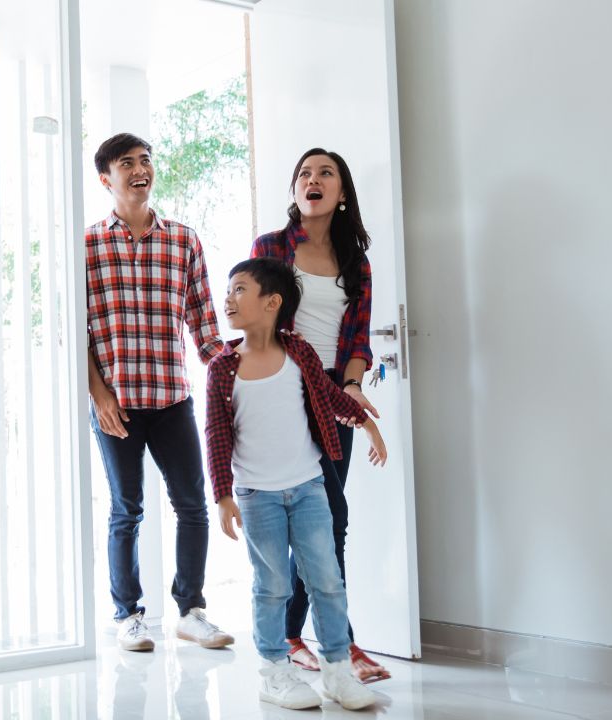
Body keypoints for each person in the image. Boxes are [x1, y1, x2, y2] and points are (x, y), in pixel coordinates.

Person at [206, 258, 388, 710]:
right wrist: (224, 495)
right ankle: (274, 673)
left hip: (308, 489)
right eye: (228, 290)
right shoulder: (223, 368)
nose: (228, 298)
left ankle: (337, 673)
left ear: (272, 303)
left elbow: (330, 398)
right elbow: (216, 434)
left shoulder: (299, 354)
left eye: (239, 289)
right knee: (271, 586)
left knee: (326, 580)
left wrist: (366, 425)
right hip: (257, 496)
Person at [86, 132, 233, 652]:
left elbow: (206, 329)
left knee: (192, 504)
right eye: (127, 163)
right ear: (107, 179)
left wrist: (245, 369)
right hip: (117, 403)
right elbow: (75, 333)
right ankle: (128, 615)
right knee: (126, 508)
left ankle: (191, 610)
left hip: (173, 397)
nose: (140, 169)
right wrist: (99, 395)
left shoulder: (183, 240)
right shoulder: (87, 246)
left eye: (146, 160)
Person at [250, 147, 390, 681]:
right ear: (294, 191)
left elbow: (357, 337)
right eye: (304, 174)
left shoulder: (356, 262)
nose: (313, 180)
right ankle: (342, 644)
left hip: (334, 394)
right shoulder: (272, 248)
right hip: (285, 391)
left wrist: (352, 386)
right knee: (330, 515)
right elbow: (258, 325)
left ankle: (292, 633)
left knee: (324, 516)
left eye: (325, 173)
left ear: (341, 192)